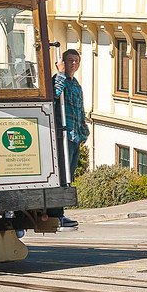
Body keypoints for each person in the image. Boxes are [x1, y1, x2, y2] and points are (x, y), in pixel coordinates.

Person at [53, 49, 88, 229]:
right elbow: (53, 96)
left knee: (69, 177)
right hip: (62, 136)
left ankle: (61, 213)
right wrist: (60, 73)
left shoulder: (75, 85)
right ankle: (56, 214)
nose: (73, 64)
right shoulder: (59, 81)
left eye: (76, 61)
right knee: (61, 176)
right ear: (63, 62)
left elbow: (79, 111)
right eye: (69, 61)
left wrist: (84, 133)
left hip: (74, 137)